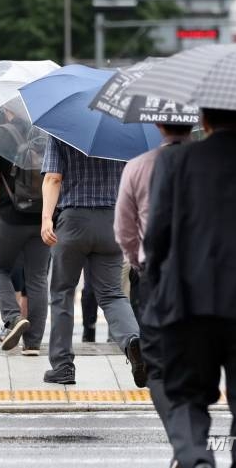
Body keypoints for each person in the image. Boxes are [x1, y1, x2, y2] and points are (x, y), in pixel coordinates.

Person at [144, 108, 236, 468]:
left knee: (184, 396)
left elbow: (156, 238)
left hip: (187, 301)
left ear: (204, 122)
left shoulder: (174, 161)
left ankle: (196, 458)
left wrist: (156, 290)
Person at [40, 135, 145, 386]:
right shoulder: (123, 132)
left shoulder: (61, 131)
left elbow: (53, 178)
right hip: (112, 221)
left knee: (62, 292)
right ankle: (133, 341)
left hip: (74, 221)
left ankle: (63, 366)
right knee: (112, 294)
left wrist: (46, 219)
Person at [113, 122, 192, 442]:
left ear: (158, 125)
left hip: (155, 273)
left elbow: (124, 230)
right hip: (202, 274)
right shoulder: (210, 164)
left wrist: (137, 263)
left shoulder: (138, 166)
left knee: (159, 360)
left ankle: (181, 434)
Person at [0, 124, 50, 355]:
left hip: (10, 215)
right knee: (38, 278)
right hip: (42, 217)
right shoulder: (48, 134)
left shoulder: (0, 135)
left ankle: (12, 317)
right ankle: (33, 344)